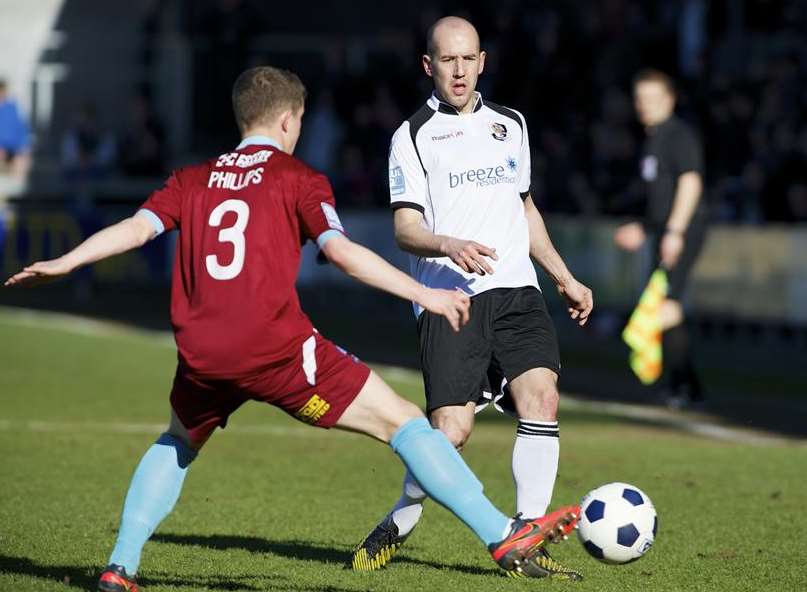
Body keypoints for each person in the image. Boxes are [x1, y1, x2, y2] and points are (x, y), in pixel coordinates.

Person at [4, 66, 582, 591]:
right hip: (276, 350)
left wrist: (65, 262)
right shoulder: (297, 179)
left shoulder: (193, 179)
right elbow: (347, 255)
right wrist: (424, 292)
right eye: (300, 121)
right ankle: (503, 533)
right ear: (288, 119)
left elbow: (135, 229)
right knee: (406, 423)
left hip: (202, 351)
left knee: (179, 437)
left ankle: (119, 567)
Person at [351, 17, 592, 581]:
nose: (458, 71)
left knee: (542, 398)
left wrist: (563, 274)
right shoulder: (411, 136)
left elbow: (524, 208)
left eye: (468, 59)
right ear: (428, 66)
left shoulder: (511, 124)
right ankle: (404, 514)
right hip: (449, 299)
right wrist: (448, 243)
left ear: (482, 61)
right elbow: (405, 230)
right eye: (447, 60)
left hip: (516, 291)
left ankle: (527, 535)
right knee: (451, 433)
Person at [614, 69, 708, 408]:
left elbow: (691, 182)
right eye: (640, 99)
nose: (644, 106)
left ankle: (683, 385)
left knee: (667, 307)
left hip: (683, 231)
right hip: (666, 232)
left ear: (669, 100)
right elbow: (659, 199)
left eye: (652, 99)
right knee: (666, 305)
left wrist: (675, 232)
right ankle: (686, 385)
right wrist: (644, 228)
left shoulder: (678, 135)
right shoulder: (653, 139)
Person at [0, 79, 32, 198]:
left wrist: (23, 149)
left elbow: (22, 130)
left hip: (13, 149)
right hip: (2, 150)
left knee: (21, 162)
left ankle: (18, 196)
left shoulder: (13, 108)